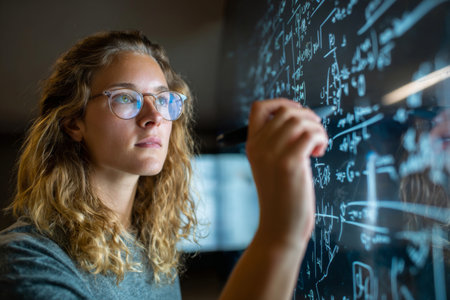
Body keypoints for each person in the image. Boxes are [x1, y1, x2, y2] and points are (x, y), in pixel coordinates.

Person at [0, 30, 328, 299]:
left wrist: (282, 235)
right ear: (74, 122)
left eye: (162, 99)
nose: (154, 117)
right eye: (126, 98)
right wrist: (281, 233)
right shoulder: (27, 261)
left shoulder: (149, 243)